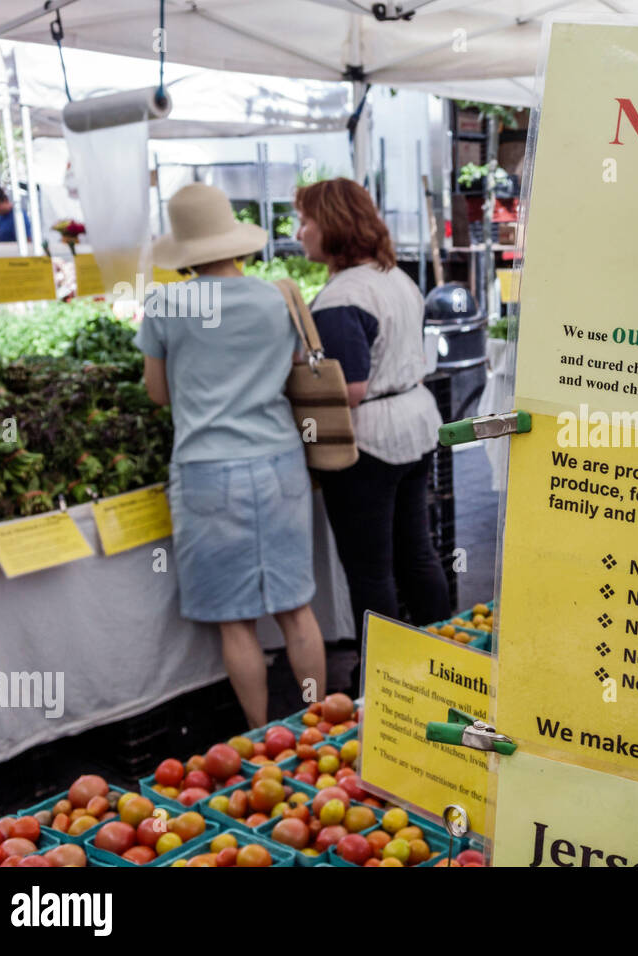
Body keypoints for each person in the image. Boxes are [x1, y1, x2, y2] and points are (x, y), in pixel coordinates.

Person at [135, 182, 326, 728]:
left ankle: (262, 734)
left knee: (236, 622)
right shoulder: (277, 297)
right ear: (235, 240)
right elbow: (293, 371)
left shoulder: (166, 302)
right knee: (296, 608)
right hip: (281, 465)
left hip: (205, 472)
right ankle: (320, 728)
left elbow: (158, 393)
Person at [294, 177, 450, 667]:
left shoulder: (343, 298)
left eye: (307, 222)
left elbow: (352, 388)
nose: (300, 233)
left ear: (332, 226)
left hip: (370, 442)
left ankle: (380, 680)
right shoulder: (394, 277)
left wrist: (292, 383)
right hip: (416, 425)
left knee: (371, 569)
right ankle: (442, 658)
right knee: (417, 552)